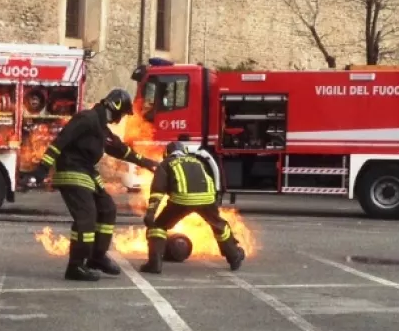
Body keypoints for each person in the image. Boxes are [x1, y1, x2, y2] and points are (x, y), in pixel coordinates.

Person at [28, 88, 159, 281]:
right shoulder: (87, 119)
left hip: (86, 171)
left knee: (107, 209)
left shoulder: (100, 127)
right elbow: (61, 141)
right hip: (71, 170)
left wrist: (147, 162)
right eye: (122, 114)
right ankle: (75, 266)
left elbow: (119, 149)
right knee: (86, 217)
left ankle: (96, 257)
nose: (121, 118)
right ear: (115, 108)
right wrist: (42, 169)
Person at [141, 141, 245, 274]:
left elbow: (157, 190)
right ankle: (234, 256)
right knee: (219, 225)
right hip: (207, 199)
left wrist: (151, 212)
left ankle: (154, 263)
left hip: (182, 200)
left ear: (166, 153)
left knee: (158, 227)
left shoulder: (166, 163)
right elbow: (209, 179)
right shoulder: (196, 161)